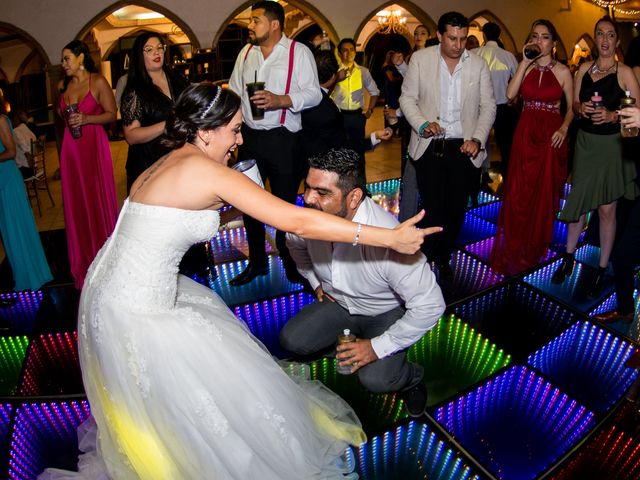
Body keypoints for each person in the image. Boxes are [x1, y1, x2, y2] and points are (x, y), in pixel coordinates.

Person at [38, 83, 438, 479]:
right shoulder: (204, 170)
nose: (239, 138)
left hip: (108, 286)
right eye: (234, 129)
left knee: (155, 400)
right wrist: (389, 237)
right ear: (207, 130)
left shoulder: (172, 157)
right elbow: (294, 220)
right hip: (138, 303)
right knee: (186, 392)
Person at [280, 148, 445, 419]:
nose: (308, 199)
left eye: (322, 193)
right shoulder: (307, 222)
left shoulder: (389, 237)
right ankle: (350, 346)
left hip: (384, 313)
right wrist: (314, 281)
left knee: (377, 380)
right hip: (339, 305)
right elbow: (294, 245)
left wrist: (375, 348)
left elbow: (431, 305)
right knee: (291, 340)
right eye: (307, 188)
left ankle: (411, 378)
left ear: (354, 197)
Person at [228, 1, 322, 286]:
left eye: (255, 20)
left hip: (284, 140)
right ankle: (256, 263)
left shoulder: (298, 52)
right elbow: (234, 91)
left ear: (274, 24)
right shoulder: (246, 53)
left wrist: (281, 100)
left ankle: (291, 264)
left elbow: (314, 94)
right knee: (249, 203)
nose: (250, 25)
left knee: (283, 207)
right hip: (250, 139)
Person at [399, 11, 496, 286]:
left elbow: (488, 107)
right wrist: (422, 124)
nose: (458, 44)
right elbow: (408, 99)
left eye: (463, 38)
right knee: (432, 207)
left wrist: (477, 139)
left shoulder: (477, 64)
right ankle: (428, 258)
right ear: (440, 36)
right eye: (452, 38)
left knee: (455, 210)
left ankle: (445, 256)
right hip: (430, 146)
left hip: (465, 148)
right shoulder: (421, 59)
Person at [553, 16, 640, 297]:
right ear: (595, 38)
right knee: (579, 203)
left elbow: (637, 112)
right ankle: (568, 257)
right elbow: (574, 105)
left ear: (616, 40)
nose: (604, 40)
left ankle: (602, 269)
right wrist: (583, 108)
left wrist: (613, 115)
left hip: (612, 147)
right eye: (600, 34)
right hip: (586, 145)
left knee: (606, 210)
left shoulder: (625, 72)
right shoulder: (583, 71)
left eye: (610, 35)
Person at [490, 19, 574, 276]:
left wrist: (563, 128)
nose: (540, 41)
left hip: (551, 136)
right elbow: (509, 95)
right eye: (535, 36)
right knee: (518, 189)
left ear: (554, 43)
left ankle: (534, 244)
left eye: (545, 37)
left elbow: (572, 107)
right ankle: (516, 241)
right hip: (525, 132)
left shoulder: (562, 72)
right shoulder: (524, 67)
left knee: (542, 191)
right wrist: (525, 61)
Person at [58, 40, 118, 290]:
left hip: (93, 147)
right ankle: (83, 263)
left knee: (96, 199)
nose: (63, 64)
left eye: (66, 58)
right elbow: (63, 117)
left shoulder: (98, 81)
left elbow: (112, 114)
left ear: (81, 57)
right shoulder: (63, 87)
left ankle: (106, 261)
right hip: (71, 151)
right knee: (77, 204)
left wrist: (87, 118)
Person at [298, 50, 391, 170]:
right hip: (322, 167)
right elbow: (343, 147)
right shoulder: (327, 112)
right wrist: (375, 137)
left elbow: (322, 94)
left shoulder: (301, 95)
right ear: (333, 76)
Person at [121, 31, 189, 192]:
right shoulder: (135, 91)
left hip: (181, 156)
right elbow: (131, 136)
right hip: (149, 164)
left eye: (159, 47)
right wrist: (168, 123)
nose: (156, 52)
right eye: (149, 49)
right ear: (139, 55)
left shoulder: (177, 77)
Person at [0, 89, 52, 292]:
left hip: (8, 181)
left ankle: (30, 276)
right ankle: (20, 274)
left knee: (17, 230)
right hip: (1, 182)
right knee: (9, 235)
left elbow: (11, 152)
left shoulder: (1, 120)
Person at [476, 22, 518, 174]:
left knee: (477, 143)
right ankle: (508, 178)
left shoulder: (475, 53)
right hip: (502, 107)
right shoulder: (508, 56)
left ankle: (478, 176)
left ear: (484, 35)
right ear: (499, 35)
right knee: (505, 147)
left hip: (479, 107)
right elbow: (518, 79)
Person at [331, 38, 380, 159]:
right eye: (345, 50)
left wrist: (370, 111)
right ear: (340, 53)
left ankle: (360, 176)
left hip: (357, 117)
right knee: (339, 151)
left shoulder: (363, 71)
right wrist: (336, 78)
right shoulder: (334, 72)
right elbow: (324, 91)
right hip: (339, 116)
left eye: (352, 50)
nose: (349, 53)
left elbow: (375, 92)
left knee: (358, 151)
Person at [11, 110, 37, 178]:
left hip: (26, 169)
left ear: (17, 120)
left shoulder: (15, 131)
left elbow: (26, 151)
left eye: (14, 120)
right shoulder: (31, 133)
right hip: (35, 167)